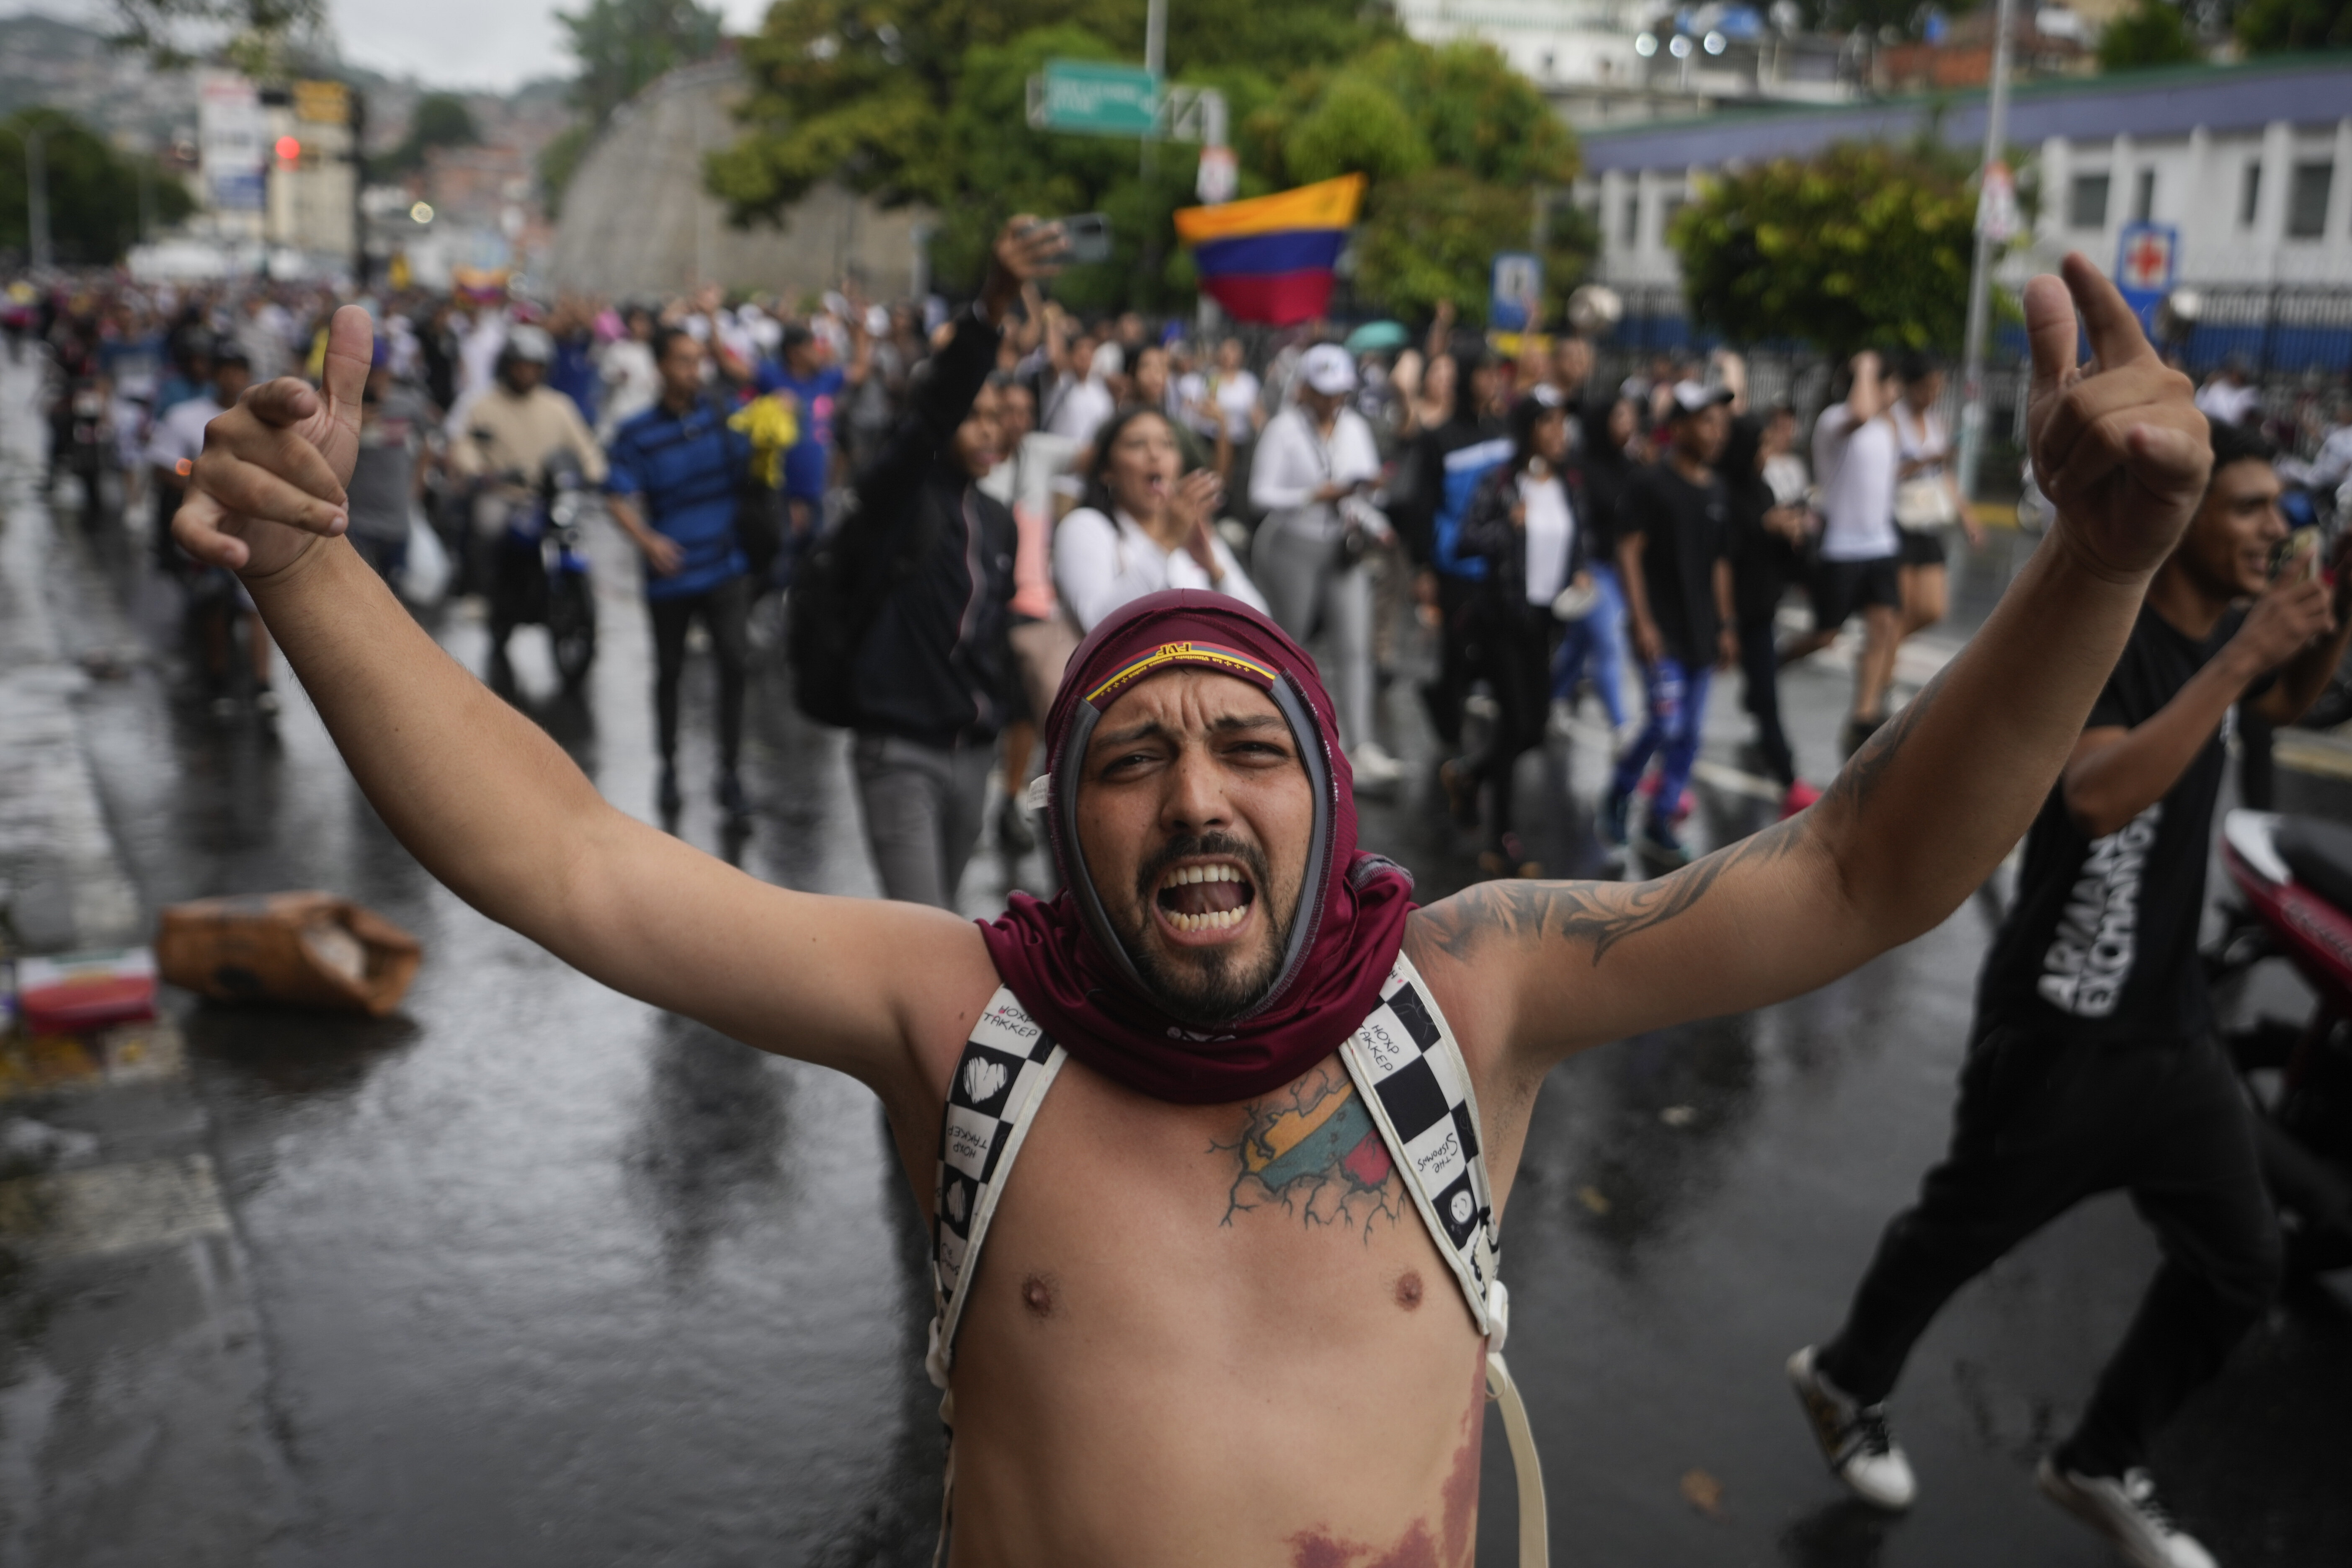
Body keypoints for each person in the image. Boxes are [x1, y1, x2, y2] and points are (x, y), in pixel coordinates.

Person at [179, 252, 2213, 1568]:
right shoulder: (951, 1012)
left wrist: (2094, 570)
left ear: (1328, 795)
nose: (1192, 789)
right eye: (1127, 758)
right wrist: (313, 574)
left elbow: (1863, 865)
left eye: (1249, 743)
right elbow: (573, 860)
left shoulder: (1474, 992)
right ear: (1064, 825)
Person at [1789, 418, 2349, 1568]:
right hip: (2056, 1030)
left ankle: (2098, 1458)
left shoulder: (2231, 629)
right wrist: (2246, 663)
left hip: (2169, 1033)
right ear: (2183, 522)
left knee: (2243, 1264)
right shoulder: (2110, 642)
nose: (2270, 529)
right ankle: (1844, 1378)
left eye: (2275, 511)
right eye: (2245, 509)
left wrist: (2323, 609)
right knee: (1961, 1232)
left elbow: (2288, 703)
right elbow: (2097, 798)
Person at [820, 225, 1053, 908]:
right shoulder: (896, 498)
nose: (984, 428)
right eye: (968, 414)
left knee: (947, 923)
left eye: (993, 416)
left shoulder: (996, 519)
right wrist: (994, 302)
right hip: (900, 750)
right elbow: (929, 419)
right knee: (921, 930)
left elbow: (998, 634)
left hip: (968, 754)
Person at [604, 328, 756, 823]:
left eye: (699, 361)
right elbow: (614, 494)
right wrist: (647, 541)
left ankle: (730, 772)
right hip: (670, 574)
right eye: (685, 361)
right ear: (662, 368)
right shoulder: (637, 432)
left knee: (735, 663)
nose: (695, 371)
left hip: (726, 566)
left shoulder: (722, 416)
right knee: (669, 672)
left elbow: (756, 467)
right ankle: (668, 765)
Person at [1444, 384, 1587, 878]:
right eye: (1547, 423)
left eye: (1561, 423)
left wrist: (1581, 571)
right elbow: (1465, 541)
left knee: (1534, 726)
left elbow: (1574, 539)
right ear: (1528, 431)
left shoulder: (1567, 482)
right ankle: (1502, 838)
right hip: (1503, 618)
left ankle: (1468, 775)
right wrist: (1507, 524)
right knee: (1514, 723)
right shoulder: (1502, 483)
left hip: (1547, 620)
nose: (1558, 432)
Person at [1249, 343, 1400, 790]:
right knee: (1289, 648)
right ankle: (1281, 741)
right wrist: (1314, 495)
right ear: (1307, 390)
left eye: (1339, 392)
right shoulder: (1283, 429)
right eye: (1324, 392)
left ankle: (1360, 747)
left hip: (1342, 545)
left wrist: (1373, 510)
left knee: (1355, 646)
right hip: (1292, 546)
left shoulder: (1354, 427)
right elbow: (1261, 495)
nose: (1333, 401)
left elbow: (1366, 491)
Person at [1602, 382, 1738, 869]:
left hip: (1701, 633)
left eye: (1721, 423)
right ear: (1677, 427)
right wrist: (1641, 622)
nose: (1716, 432)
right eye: (1705, 421)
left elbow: (1720, 563)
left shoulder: (1717, 490)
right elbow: (1629, 552)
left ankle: (1660, 820)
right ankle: (1618, 795)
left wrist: (1725, 625)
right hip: (1662, 632)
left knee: (1689, 734)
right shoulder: (1651, 484)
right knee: (1665, 721)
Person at [1784, 351, 1904, 757]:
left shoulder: (1887, 428)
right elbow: (1860, 410)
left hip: (1881, 545)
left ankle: (1863, 716)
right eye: (1888, 383)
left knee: (1884, 626)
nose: (1895, 392)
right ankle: (1777, 661)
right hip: (1842, 548)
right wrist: (1868, 366)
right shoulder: (1836, 420)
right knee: (1826, 635)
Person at [147, 344, 277, 717]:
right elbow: (163, 467)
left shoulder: (261, 420)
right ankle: (219, 682)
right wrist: (203, 480)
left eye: (241, 370)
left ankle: (262, 685)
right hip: (209, 530)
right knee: (214, 607)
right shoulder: (186, 417)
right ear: (214, 374)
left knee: (257, 610)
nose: (233, 378)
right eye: (227, 370)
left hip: (254, 530)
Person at [980, 374, 1080, 853]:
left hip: (1035, 605)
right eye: (1007, 412)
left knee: (1031, 709)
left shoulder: (1038, 454)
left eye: (1025, 412)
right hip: (988, 606)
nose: (1017, 422)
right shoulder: (978, 468)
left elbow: (1092, 453)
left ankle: (1016, 797)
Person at [1055, 405, 1263, 633]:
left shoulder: (1193, 533)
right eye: (1137, 444)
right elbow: (1096, 627)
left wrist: (1215, 571)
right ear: (1107, 470)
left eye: (1167, 444)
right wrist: (1166, 542)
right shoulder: (1085, 526)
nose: (1155, 454)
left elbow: (1262, 623)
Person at [1724, 406, 1820, 818]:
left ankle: (1788, 781)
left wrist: (1792, 536)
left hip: (1760, 614)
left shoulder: (1763, 487)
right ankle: (1658, 776)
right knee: (1680, 705)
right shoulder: (1724, 489)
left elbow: (1774, 548)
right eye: (1761, 444)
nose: (1767, 451)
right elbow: (1726, 548)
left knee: (1766, 698)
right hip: (1723, 616)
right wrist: (1766, 526)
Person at [1549, 396, 1637, 736]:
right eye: (1620, 416)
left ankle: (1554, 696)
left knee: (1581, 643)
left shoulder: (1632, 468)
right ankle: (1621, 726)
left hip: (1620, 572)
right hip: (1592, 568)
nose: (1628, 425)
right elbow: (1576, 522)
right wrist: (1576, 566)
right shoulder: (1580, 468)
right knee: (1609, 643)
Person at [1887, 352, 1982, 640]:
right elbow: (1882, 473)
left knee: (1932, 610)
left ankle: (1883, 653)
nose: (1932, 394)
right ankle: (1882, 672)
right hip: (1898, 521)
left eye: (1937, 388)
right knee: (1900, 609)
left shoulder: (1935, 422)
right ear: (1909, 385)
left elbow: (1946, 475)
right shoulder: (1892, 420)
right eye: (1927, 387)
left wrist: (1968, 518)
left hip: (1927, 521)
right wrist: (1925, 461)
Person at [757, 319, 871, 540]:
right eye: (812, 347)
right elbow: (730, 365)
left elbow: (860, 371)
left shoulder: (826, 379)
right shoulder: (773, 378)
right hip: (783, 492)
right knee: (785, 553)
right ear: (794, 352)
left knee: (816, 550)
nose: (820, 352)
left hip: (817, 489)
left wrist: (860, 335)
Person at [346, 339, 430, 591]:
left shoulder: (408, 404)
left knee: (395, 595)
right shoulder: (345, 407)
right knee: (357, 594)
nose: (373, 379)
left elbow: (428, 446)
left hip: (396, 521)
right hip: (355, 522)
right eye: (368, 373)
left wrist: (417, 488)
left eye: (378, 371)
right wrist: (353, 425)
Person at [2192, 353, 2260, 429]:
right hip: (2213, 425)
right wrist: (2208, 387)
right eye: (2234, 372)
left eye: (2240, 374)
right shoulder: (2218, 387)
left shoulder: (2250, 392)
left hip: (2236, 431)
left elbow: (2235, 418)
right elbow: (2201, 407)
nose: (2236, 376)